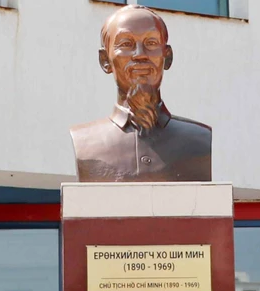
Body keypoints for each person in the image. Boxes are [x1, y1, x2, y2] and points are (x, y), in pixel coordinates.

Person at [69, 4, 211, 182]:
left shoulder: (199, 141)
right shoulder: (86, 141)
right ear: (105, 60)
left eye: (151, 43)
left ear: (167, 57)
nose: (140, 54)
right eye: (126, 44)